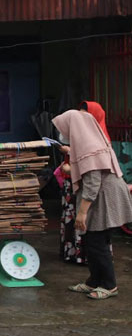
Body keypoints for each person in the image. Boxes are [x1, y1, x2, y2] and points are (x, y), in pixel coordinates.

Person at [52, 110, 132, 300]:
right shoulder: (89, 141)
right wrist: (70, 154)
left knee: (97, 242)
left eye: (66, 129)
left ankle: (109, 285)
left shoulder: (88, 147)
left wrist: (81, 213)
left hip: (103, 196)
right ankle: (94, 281)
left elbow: (92, 182)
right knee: (91, 240)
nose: (63, 134)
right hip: (100, 194)